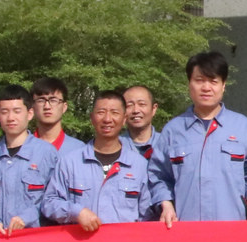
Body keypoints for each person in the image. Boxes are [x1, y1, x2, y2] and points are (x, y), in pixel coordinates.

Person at [154, 50, 247, 224]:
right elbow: (159, 176)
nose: (206, 88)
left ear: (223, 85)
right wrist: (166, 205)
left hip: (231, 227)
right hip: (185, 227)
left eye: (213, 81)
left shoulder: (244, 128)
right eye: (199, 80)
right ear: (189, 83)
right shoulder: (173, 131)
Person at [42, 89, 162, 233]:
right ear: (92, 118)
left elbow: (148, 217)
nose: (107, 119)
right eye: (101, 112)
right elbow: (49, 203)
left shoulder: (139, 166)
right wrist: (76, 212)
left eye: (114, 113)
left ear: (124, 119)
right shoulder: (70, 162)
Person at [0, 85, 59, 234]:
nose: (11, 118)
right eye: (4, 112)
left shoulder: (47, 154)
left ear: (30, 113)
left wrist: (27, 217)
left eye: (17, 111)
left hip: (35, 238)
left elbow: (55, 200)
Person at [30, 77, 81, 154]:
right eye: (41, 100)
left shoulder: (79, 150)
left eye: (53, 100)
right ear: (32, 106)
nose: (47, 106)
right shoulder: (22, 148)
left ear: (64, 107)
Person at [122, 84, 159, 159]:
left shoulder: (168, 144)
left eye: (142, 104)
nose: (136, 110)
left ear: (154, 109)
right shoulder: (115, 147)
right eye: (129, 105)